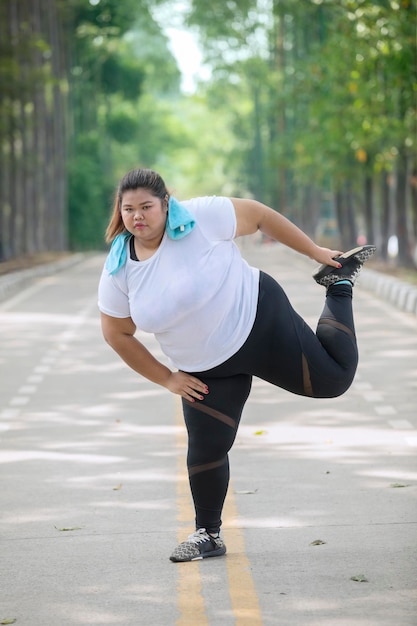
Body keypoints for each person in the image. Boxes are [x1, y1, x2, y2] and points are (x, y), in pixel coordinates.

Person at [98, 167, 376, 563]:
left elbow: (260, 215)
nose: (138, 216)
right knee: (206, 450)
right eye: (129, 210)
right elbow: (116, 334)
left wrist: (317, 253)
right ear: (120, 212)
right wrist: (167, 378)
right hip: (204, 368)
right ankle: (208, 535)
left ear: (166, 204)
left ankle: (340, 285)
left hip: (259, 319)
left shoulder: (200, 218)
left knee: (334, 380)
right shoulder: (119, 267)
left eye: (146, 206)